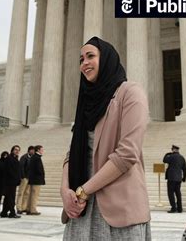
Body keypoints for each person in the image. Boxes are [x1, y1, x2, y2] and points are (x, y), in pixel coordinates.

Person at [61, 37, 151, 240]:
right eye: (81, 59)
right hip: (80, 208)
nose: (84, 63)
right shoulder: (85, 101)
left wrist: (83, 191)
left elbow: (127, 154)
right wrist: (65, 191)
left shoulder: (130, 92)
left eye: (90, 56)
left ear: (107, 58)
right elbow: (73, 151)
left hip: (118, 207)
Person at [163, 144, 186, 213]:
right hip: (179, 178)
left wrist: (167, 154)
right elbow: (185, 169)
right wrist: (184, 177)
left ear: (173, 150)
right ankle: (180, 208)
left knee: (170, 193)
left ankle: (173, 208)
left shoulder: (171, 156)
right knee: (178, 193)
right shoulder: (182, 158)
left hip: (171, 178)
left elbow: (164, 160)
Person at [0, 145, 21, 218]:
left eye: (18, 150)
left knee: (8, 197)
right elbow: (9, 171)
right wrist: (16, 178)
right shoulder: (9, 158)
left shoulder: (15, 159)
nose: (17, 151)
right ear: (12, 150)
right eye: (15, 149)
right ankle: (12, 212)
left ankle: (4, 212)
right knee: (11, 197)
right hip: (10, 182)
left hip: (13, 182)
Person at [27, 145, 45, 215]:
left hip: (33, 179)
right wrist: (41, 175)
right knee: (35, 195)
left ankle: (29, 208)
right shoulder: (37, 158)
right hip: (36, 179)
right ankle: (33, 210)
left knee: (31, 195)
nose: (42, 151)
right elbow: (38, 169)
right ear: (38, 150)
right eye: (42, 150)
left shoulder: (33, 157)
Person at [16, 146, 34, 214]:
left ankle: (24, 207)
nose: (33, 152)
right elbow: (21, 167)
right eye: (32, 150)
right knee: (21, 193)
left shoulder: (32, 158)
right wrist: (23, 176)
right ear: (29, 150)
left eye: (34, 151)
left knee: (27, 193)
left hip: (29, 178)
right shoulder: (24, 157)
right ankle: (18, 207)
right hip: (24, 178)